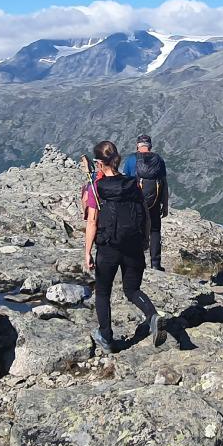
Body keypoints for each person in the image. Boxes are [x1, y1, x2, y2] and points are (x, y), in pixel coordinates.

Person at [83, 140, 162, 353]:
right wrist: (144, 241)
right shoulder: (132, 183)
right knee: (132, 289)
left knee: (102, 292)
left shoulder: (96, 188)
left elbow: (92, 221)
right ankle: (153, 316)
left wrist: (87, 252)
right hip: (133, 246)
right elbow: (144, 214)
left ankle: (106, 338)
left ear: (99, 163)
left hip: (108, 246)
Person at [121, 134, 170, 270]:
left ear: (137, 145)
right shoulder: (159, 160)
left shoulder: (131, 159)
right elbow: (164, 184)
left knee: (135, 229)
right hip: (154, 202)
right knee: (154, 230)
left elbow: (125, 182)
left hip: (135, 202)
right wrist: (165, 205)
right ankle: (155, 263)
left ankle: (135, 261)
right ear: (150, 146)